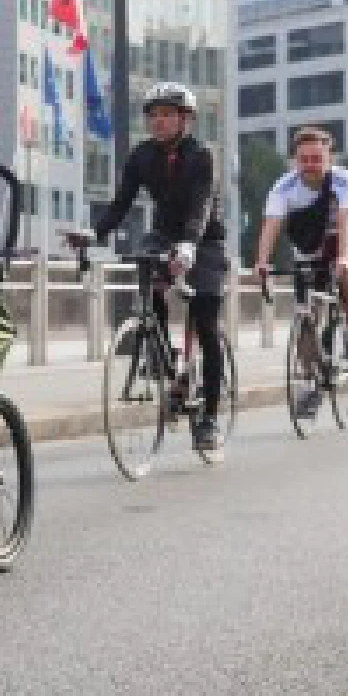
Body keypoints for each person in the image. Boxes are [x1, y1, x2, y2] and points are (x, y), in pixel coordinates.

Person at [87, 82, 231, 457]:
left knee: (206, 323)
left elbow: (201, 205)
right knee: (147, 276)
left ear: (186, 119)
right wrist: (93, 233)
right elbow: (121, 204)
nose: (158, 121)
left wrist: (189, 245)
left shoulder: (202, 156)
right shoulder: (141, 156)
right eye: (153, 115)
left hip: (205, 239)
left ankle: (210, 418)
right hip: (164, 235)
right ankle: (159, 349)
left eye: (167, 114)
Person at [252, 128, 348, 419]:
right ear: (295, 160)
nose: (311, 165)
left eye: (317, 158)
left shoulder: (345, 181)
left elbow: (344, 222)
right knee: (306, 316)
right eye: (304, 159)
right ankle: (310, 382)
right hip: (308, 246)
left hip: (344, 238)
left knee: (347, 272)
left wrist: (342, 258)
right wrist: (262, 262)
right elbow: (272, 225)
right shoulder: (283, 188)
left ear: (329, 158)